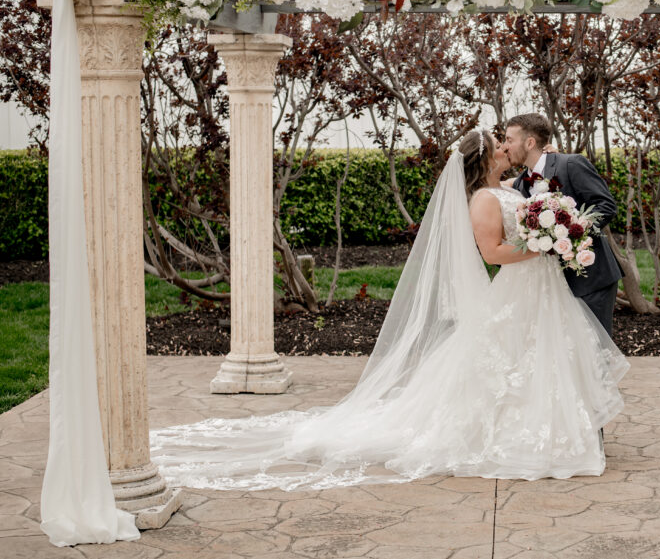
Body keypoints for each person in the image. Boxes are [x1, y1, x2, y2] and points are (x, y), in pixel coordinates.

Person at [149, 129, 628, 491]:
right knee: (513, 359)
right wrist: (541, 248)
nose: (507, 149)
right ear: (485, 158)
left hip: (541, 287)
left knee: (546, 355)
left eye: (508, 145)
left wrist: (552, 234)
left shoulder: (515, 188)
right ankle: (522, 432)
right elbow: (493, 253)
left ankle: (562, 427)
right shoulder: (484, 198)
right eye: (500, 148)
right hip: (526, 280)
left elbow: (536, 221)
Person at [503, 113, 624, 335]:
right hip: (551, 284)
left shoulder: (570, 164)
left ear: (530, 143)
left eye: (510, 140)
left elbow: (606, 206)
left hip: (590, 277)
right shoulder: (521, 183)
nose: (505, 146)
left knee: (595, 354)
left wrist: (570, 232)